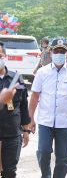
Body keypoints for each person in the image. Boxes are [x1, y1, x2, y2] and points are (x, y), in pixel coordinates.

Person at [29, 38, 67, 178]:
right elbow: (34, 96)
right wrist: (30, 118)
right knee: (43, 151)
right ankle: (45, 175)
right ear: (51, 52)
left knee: (63, 158)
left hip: (65, 123)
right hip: (45, 121)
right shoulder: (42, 72)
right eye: (56, 51)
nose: (59, 53)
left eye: (62, 51)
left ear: (66, 53)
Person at [0, 45, 30, 177]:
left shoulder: (16, 77)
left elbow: (23, 105)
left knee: (9, 171)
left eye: (0, 55)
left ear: (5, 56)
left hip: (12, 134)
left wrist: (26, 130)